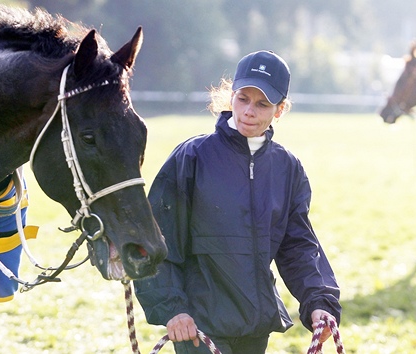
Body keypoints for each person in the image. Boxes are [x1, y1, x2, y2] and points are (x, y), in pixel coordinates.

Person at [134, 50, 341, 353]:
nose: (248, 111)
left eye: (262, 104)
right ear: (231, 97)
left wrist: (318, 303)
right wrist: (172, 309)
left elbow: (297, 245)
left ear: (280, 109)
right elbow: (160, 239)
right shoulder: (191, 157)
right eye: (243, 99)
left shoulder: (287, 168)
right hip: (197, 324)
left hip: (255, 324)